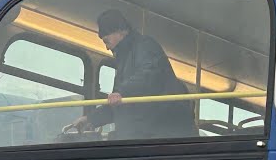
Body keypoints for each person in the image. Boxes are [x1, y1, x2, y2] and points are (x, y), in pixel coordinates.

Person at [66, 9, 197, 140]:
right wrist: (91, 119)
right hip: (143, 135)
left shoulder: (146, 45)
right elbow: (118, 104)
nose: (107, 47)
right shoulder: (124, 62)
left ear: (120, 30)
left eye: (106, 41)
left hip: (163, 135)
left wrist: (121, 92)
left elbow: (149, 75)